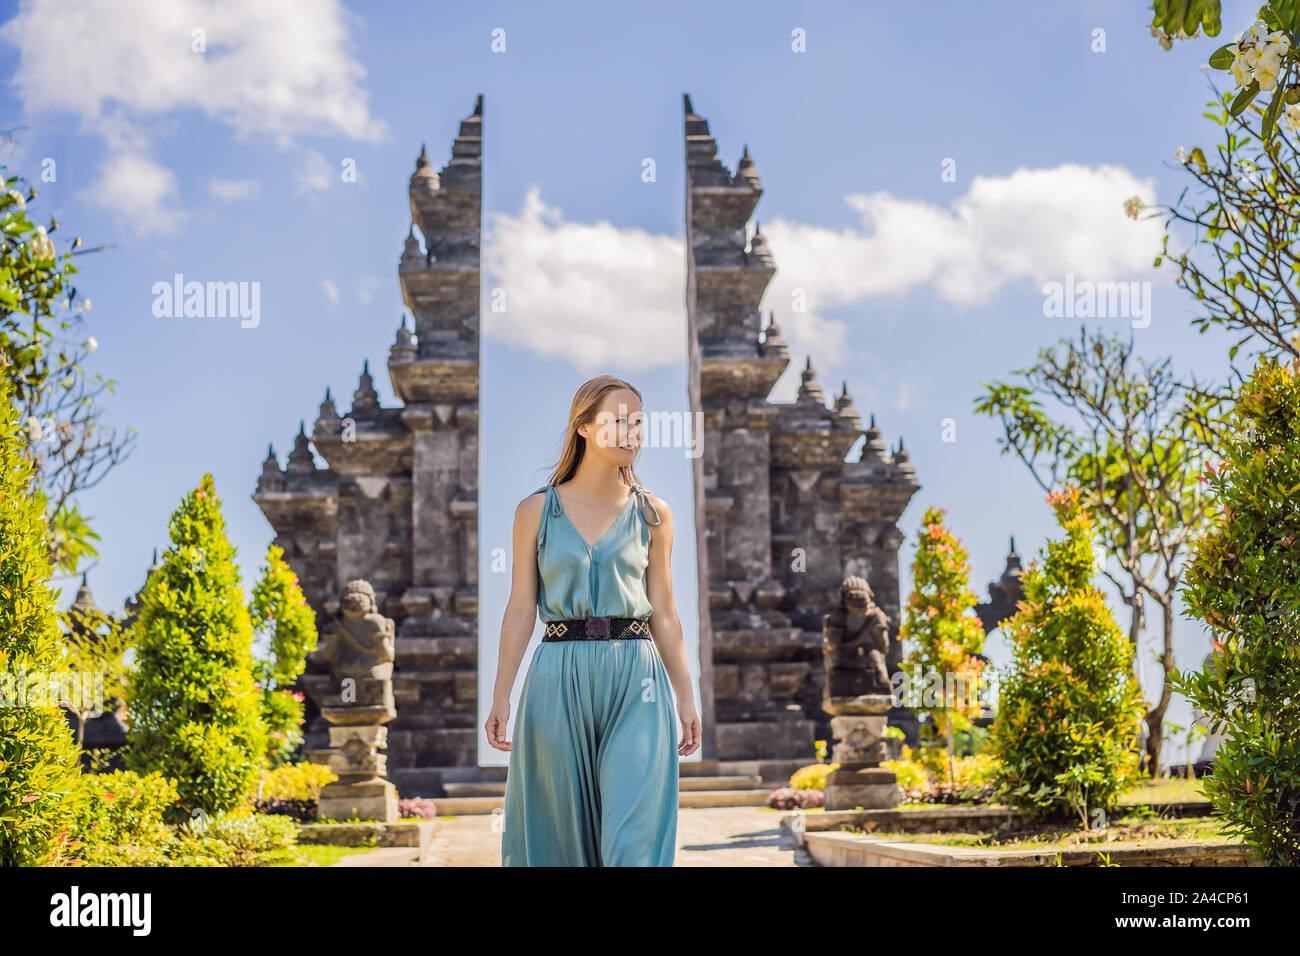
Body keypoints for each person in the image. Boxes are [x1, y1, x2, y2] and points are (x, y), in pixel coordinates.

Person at [487, 375, 701, 866]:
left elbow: (665, 611)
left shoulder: (654, 515)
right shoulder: (535, 512)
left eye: (639, 422)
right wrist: (502, 693)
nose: (632, 433)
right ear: (583, 427)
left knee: (634, 841)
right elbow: (520, 608)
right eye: (618, 420)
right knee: (559, 840)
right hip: (556, 676)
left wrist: (686, 696)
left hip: (638, 679)